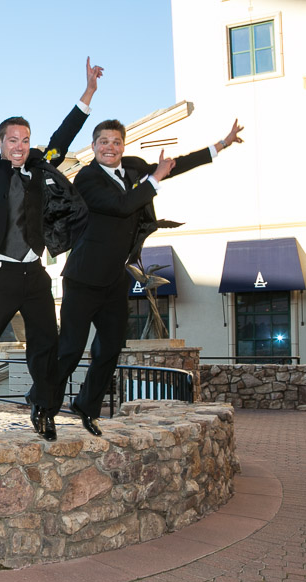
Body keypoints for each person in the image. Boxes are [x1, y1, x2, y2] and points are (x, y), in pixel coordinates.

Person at [47, 117, 245, 436]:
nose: (110, 147)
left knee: (111, 347)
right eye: (104, 142)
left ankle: (86, 406)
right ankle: (45, 402)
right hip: (83, 276)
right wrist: (154, 180)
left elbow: (172, 166)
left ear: (122, 146)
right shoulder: (87, 178)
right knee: (69, 348)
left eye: (116, 142)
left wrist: (220, 144)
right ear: (95, 146)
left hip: (114, 277)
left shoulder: (135, 167)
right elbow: (122, 205)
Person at [0, 53, 100, 446]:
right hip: (0, 274)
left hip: (35, 274)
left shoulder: (40, 168)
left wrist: (87, 92)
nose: (19, 146)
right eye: (12, 140)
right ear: (1, 143)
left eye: (24, 140)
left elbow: (63, 138)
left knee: (45, 347)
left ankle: (44, 409)